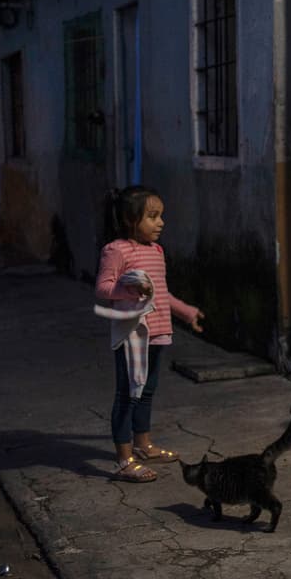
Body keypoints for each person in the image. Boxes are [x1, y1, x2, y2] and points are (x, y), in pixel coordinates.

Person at [95, 185, 204, 482]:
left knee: (147, 390)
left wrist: (186, 311)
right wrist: (129, 288)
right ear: (131, 220)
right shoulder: (116, 250)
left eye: (161, 216)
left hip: (157, 332)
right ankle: (123, 459)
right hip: (132, 335)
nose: (161, 223)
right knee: (127, 394)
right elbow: (103, 288)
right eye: (153, 216)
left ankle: (143, 445)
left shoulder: (156, 251)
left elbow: (161, 293)